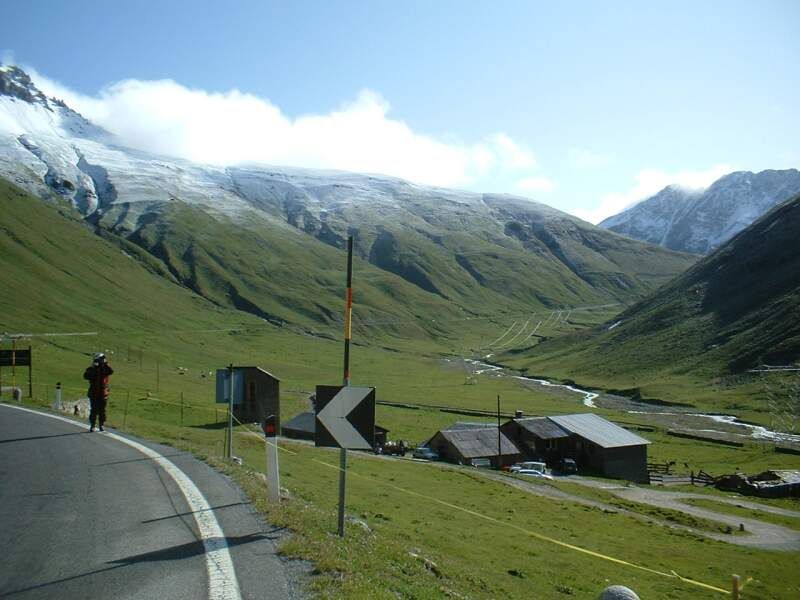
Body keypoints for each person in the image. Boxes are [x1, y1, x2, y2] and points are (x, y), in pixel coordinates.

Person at [83, 353, 113, 432]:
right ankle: (92, 425)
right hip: (93, 393)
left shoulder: (105, 369)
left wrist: (105, 363)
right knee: (94, 410)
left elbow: (111, 371)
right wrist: (93, 367)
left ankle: (101, 424)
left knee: (102, 411)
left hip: (103, 393)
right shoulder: (92, 368)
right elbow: (86, 376)